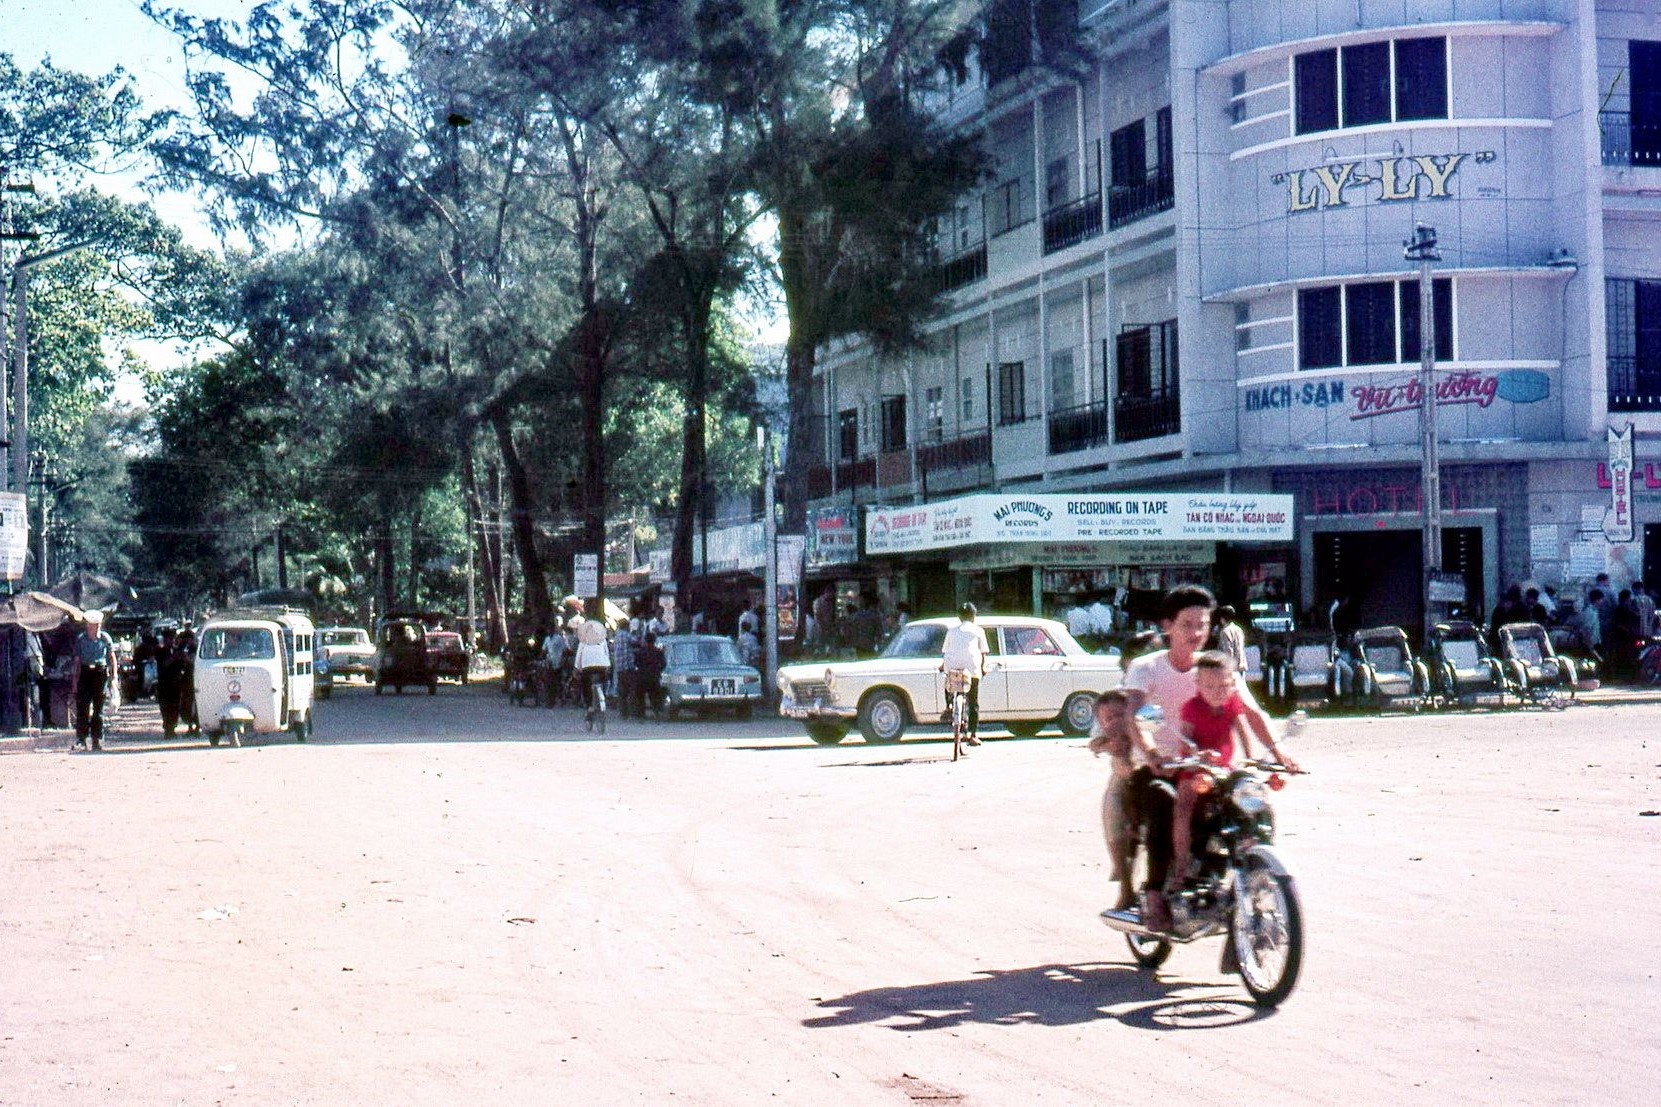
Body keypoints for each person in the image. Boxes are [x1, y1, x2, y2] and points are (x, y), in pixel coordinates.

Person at [1118, 585, 1275, 932]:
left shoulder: (1218, 668)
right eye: (1187, 624)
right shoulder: (1147, 667)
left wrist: (1277, 754)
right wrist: (1153, 752)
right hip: (1160, 767)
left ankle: (1250, 882)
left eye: (1202, 625)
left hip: (1210, 768)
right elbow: (1134, 714)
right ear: (1167, 626)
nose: (1196, 633)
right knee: (1163, 800)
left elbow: (1251, 712)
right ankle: (1157, 893)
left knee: (1251, 804)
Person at [1168, 652, 1297, 893]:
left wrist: (1251, 760)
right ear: (1198, 684)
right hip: (1197, 769)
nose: (1217, 691)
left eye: (1223, 685)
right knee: (1183, 805)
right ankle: (1181, 865)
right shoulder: (1192, 708)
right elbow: (1184, 742)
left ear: (1233, 683)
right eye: (1209, 685)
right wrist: (1196, 758)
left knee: (1253, 801)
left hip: (1224, 770)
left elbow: (1243, 730)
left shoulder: (1233, 703)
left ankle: (1257, 850)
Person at [1086, 689, 1140, 911]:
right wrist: (1108, 745)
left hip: (1150, 769)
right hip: (1125, 775)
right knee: (1112, 809)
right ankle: (1124, 882)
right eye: (1110, 718)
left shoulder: (1134, 703)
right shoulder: (1112, 701)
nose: (1116, 721)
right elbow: (1095, 741)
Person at [940, 603, 989, 746]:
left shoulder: (951, 631)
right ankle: (973, 735)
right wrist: (983, 668)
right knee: (973, 702)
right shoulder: (979, 631)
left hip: (953, 667)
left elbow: (945, 651)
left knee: (949, 681)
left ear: (959, 617)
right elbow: (983, 652)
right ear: (974, 616)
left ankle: (949, 704)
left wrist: (943, 666)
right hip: (972, 669)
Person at [72, 610, 118, 751]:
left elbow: (112, 658)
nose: (96, 627)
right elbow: (77, 662)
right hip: (85, 673)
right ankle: (82, 739)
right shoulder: (81, 640)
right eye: (93, 625)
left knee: (98, 709)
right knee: (83, 708)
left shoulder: (105, 639)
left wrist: (114, 677)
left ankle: (97, 739)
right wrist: (74, 681)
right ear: (87, 625)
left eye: (98, 624)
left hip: (100, 673)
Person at [573, 617, 611, 722]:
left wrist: (576, 669)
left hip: (587, 667)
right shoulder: (602, 640)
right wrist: (608, 666)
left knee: (585, 685)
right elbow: (606, 654)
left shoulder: (583, 641)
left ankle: (589, 707)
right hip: (602, 666)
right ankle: (603, 695)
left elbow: (578, 656)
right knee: (604, 682)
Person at [156, 627, 188, 737]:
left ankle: (172, 727)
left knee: (175, 707)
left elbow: (185, 664)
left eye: (172, 638)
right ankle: (167, 728)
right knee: (165, 707)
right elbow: (164, 664)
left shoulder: (178, 650)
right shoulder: (160, 651)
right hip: (164, 684)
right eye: (168, 639)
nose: (170, 641)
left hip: (176, 683)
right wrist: (175, 656)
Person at [636, 631, 666, 716]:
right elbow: (663, 664)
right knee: (654, 695)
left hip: (642, 676)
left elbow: (636, 663)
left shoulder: (640, 651)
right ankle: (656, 712)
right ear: (654, 640)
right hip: (654, 676)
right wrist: (658, 670)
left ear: (645, 640)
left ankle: (641, 714)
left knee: (640, 696)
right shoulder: (658, 652)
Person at [614, 618, 640, 718]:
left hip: (619, 667)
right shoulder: (626, 635)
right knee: (632, 690)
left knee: (622, 691)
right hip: (628, 666)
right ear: (626, 626)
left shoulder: (616, 636)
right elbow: (636, 641)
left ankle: (623, 713)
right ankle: (633, 712)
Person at [1214, 605, 1248, 675]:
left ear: (1222, 618)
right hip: (1241, 665)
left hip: (1231, 667)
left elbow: (1228, 650)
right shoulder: (1238, 629)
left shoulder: (1225, 631)